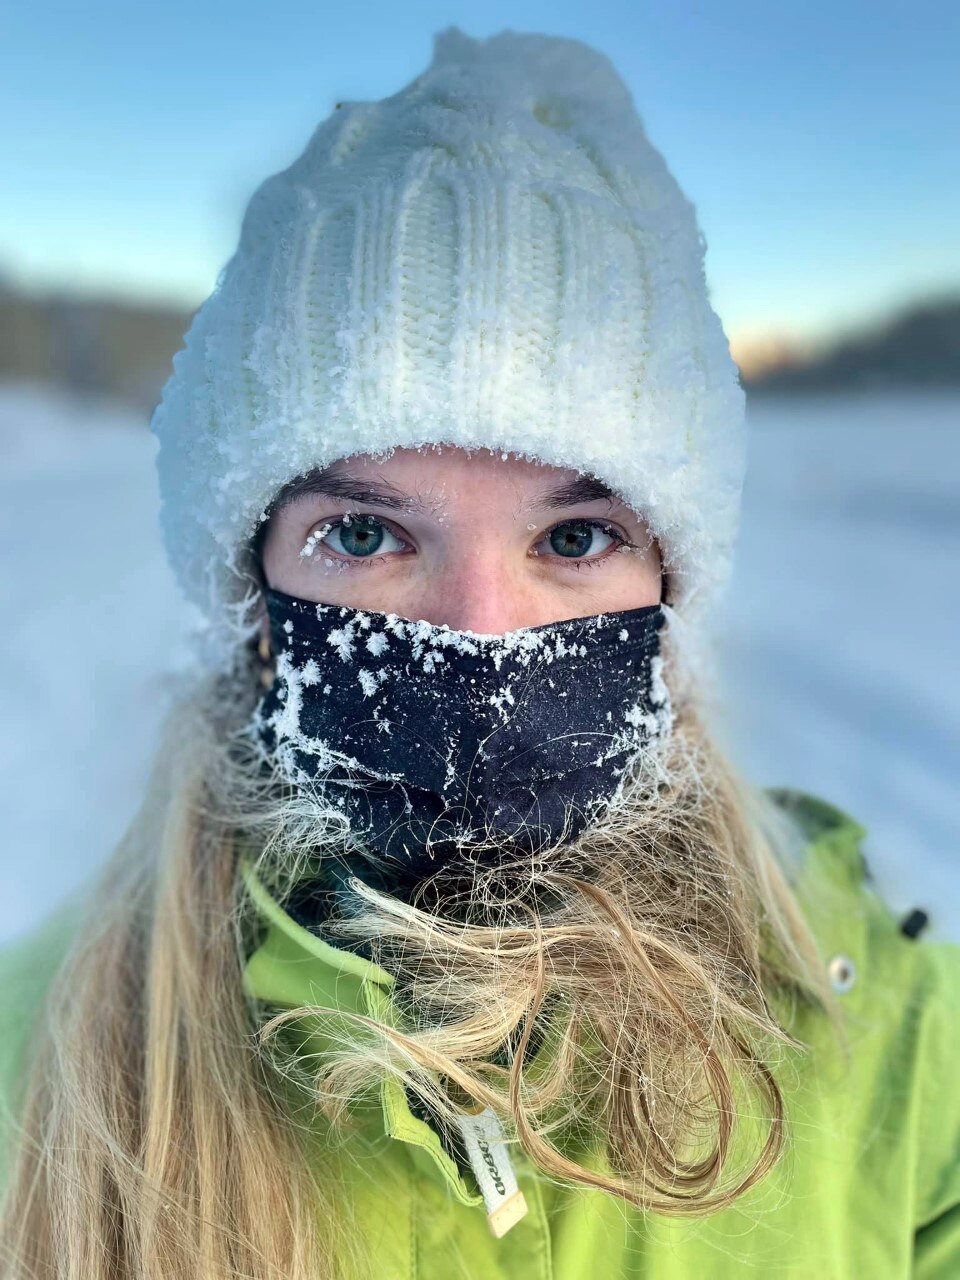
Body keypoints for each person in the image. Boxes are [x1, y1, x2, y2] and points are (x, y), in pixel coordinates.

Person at [1, 25, 958, 1280]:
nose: (484, 633)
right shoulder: (42, 1073)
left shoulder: (893, 1042)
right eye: (364, 531)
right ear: (250, 585)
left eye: (575, 533)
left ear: (670, 586)